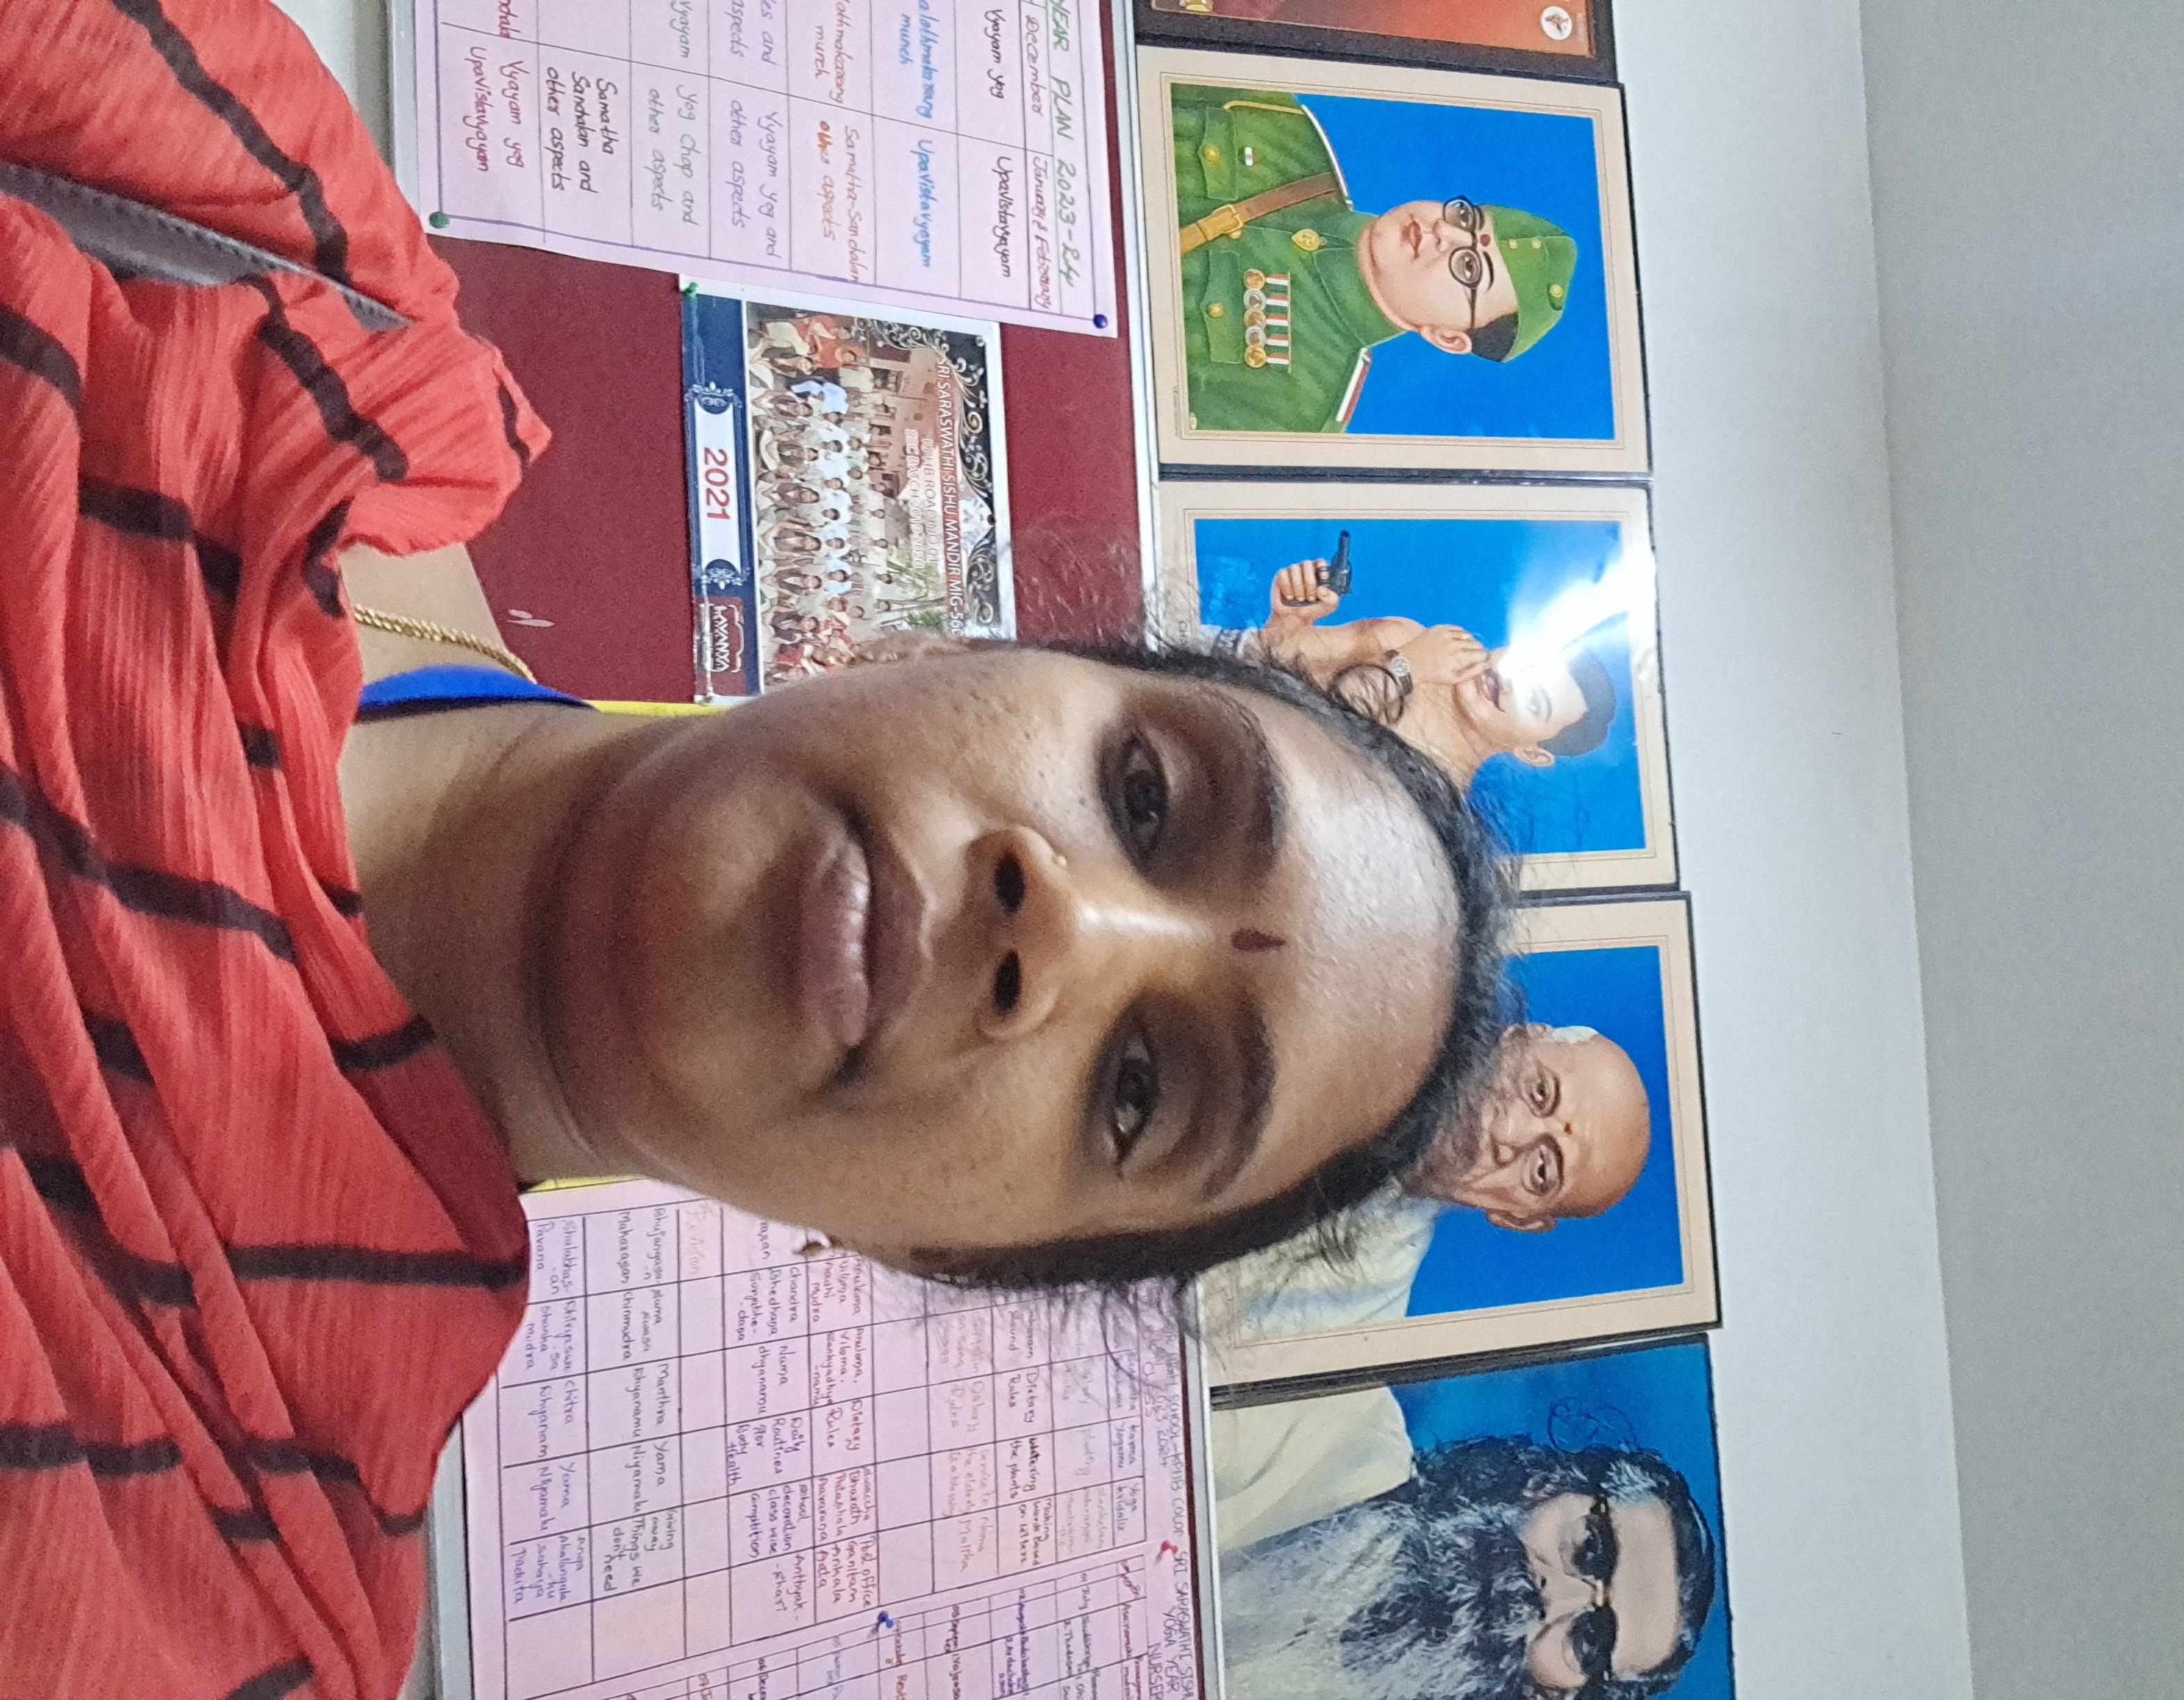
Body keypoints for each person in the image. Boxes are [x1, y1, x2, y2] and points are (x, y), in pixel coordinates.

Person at [0, 3, 1509, 1694]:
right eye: (1147, 797)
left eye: (1141, 1090)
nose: (1064, 929)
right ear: (953, 643)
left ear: (947, 1254)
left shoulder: (234, 1586)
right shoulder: (270, 249)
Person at [1210, 1023, 1650, 1545]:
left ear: (1516, 1217)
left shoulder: (1350, 1360)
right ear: (1514, 1038)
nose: (1507, 1134)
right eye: (1539, 1092)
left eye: (1540, 1170)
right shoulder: (1329, 1014)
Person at [1172, 83, 1578, 433]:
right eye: (1465, 218)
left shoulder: (1300, 411)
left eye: (1469, 267)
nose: (1444, 232)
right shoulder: (1284, 130)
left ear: (1448, 337)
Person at [1217, 1433, 1717, 1700]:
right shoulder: (1335, 1439)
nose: (1553, 1596)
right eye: (1591, 1550)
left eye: (1591, 1639)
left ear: (1556, 1696)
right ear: (1547, 1486)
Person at [1253, 559, 1620, 782]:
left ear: (1531, 753)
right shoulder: (1402, 637)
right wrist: (1287, 624)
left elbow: (1306, 744)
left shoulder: (1433, 805)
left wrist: (1408, 667)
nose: (1509, 684)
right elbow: (1256, 662)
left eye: (1534, 703)